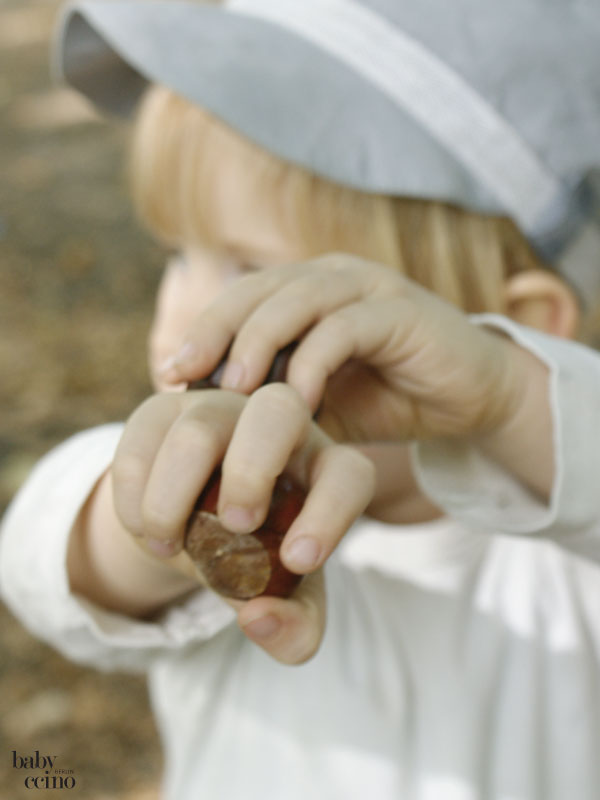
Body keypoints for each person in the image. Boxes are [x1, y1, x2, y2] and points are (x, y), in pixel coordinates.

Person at [2, 0, 600, 797]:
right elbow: (51, 565)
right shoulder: (215, 557)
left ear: (515, 327)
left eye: (253, 272)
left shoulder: (565, 566)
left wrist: (510, 397)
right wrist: (164, 517)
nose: (181, 318)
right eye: (177, 256)